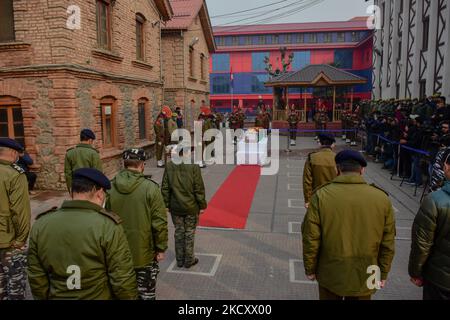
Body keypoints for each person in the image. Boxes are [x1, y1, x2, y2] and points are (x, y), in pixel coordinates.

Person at [27, 168, 138, 300]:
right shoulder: (108, 226)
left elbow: (37, 277)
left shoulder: (41, 224)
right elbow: (122, 277)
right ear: (100, 194)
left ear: (72, 191)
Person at [302, 150, 396, 300]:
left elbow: (311, 237)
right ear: (362, 170)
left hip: (330, 269)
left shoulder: (321, 195)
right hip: (367, 270)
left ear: (337, 169)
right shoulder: (381, 198)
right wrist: (383, 273)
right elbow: (388, 242)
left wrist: (310, 268)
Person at [106, 149, 168, 300]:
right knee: (145, 295)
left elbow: (104, 220)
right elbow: (159, 222)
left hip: (117, 255)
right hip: (144, 255)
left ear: (124, 164)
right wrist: (160, 248)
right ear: (142, 165)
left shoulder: (110, 188)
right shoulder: (150, 188)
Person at [409, 149, 450, 300]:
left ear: (446, 167)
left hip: (440, 281)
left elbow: (422, 243)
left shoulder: (434, 200)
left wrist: (415, 272)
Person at [161, 146, 207, 269]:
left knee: (179, 231)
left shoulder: (170, 166)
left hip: (175, 206)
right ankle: (189, 260)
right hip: (191, 206)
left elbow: (165, 187)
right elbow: (198, 188)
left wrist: (165, 204)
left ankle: (180, 259)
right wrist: (202, 205)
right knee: (189, 232)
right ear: (187, 153)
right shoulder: (193, 166)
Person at [0, 138, 31, 300]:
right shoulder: (15, 174)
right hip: (8, 241)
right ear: (13, 153)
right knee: (15, 287)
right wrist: (21, 239)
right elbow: (20, 212)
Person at [302, 134, 337, 208]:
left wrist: (307, 200)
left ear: (320, 144)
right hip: (334, 197)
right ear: (333, 144)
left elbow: (307, 181)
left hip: (317, 197)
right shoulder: (338, 159)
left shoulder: (312, 157)